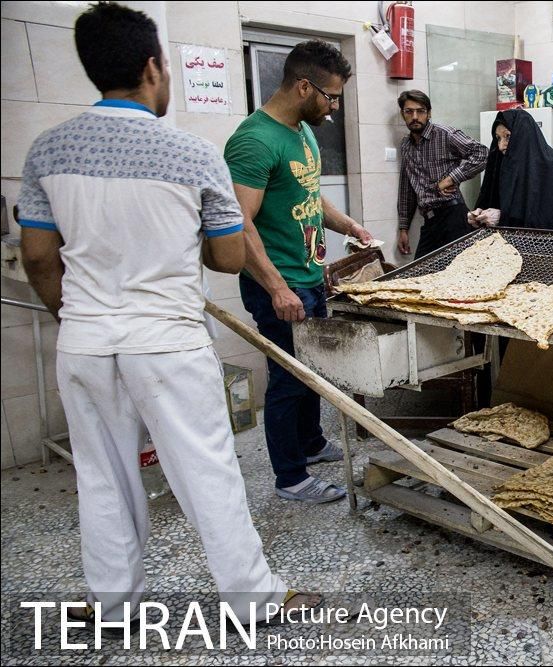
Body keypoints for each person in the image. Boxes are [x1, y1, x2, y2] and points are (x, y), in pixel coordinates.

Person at [17, 1, 298, 624]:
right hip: (167, 340)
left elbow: (37, 256)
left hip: (86, 341)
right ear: (153, 67)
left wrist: (75, 314)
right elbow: (228, 257)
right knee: (206, 470)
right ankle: (252, 600)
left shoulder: (48, 151)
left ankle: (115, 604)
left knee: (102, 475)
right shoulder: (190, 154)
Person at [225, 41, 374, 503]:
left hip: (310, 276)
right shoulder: (254, 140)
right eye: (329, 97)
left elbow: (309, 194)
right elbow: (239, 221)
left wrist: (347, 224)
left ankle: (310, 444)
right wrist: (275, 287)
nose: (332, 107)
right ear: (303, 86)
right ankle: (291, 477)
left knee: (314, 369)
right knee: (289, 377)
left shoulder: (304, 132)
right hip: (279, 282)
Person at [396, 90, 488, 258]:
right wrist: (404, 229)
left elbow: (481, 153)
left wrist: (452, 178)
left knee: (460, 274)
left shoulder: (445, 134)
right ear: (403, 114)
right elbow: (406, 189)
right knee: (421, 274)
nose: (415, 116)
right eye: (409, 111)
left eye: (420, 111)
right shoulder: (406, 146)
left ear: (429, 113)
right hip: (430, 222)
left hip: (453, 215)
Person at [469, 109, 553, 231]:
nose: (501, 146)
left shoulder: (552, 168)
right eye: (498, 138)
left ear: (523, 134)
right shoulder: (504, 164)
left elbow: (550, 222)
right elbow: (497, 202)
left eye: (508, 136)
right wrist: (480, 216)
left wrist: (502, 216)